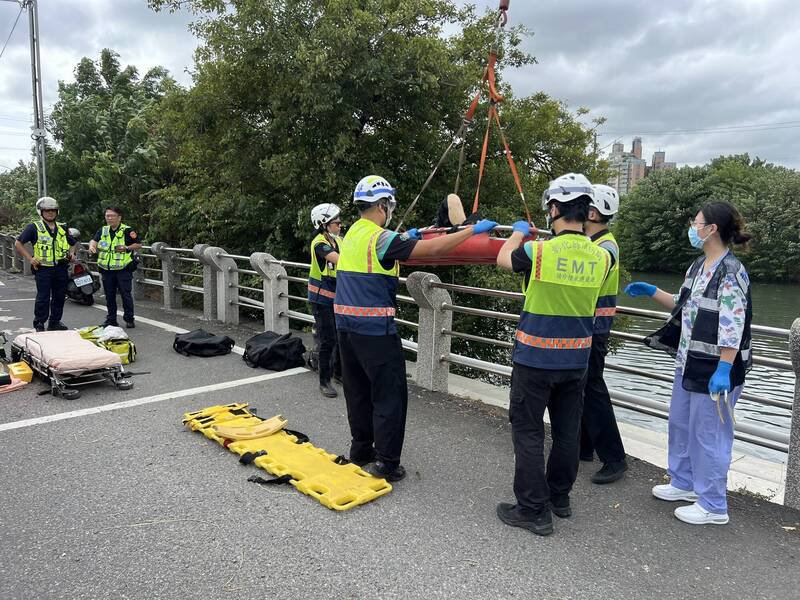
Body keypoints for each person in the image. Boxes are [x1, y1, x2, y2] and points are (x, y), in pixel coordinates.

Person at [335, 174, 497, 482]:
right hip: (375, 332)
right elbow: (434, 251)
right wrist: (473, 230)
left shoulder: (355, 233)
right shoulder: (380, 238)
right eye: (389, 205)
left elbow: (389, 252)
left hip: (346, 328)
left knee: (357, 393)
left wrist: (406, 237)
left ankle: (361, 451)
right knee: (389, 396)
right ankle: (386, 463)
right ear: (383, 205)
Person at [495, 173, 610, 536]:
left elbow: (502, 259)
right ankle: (559, 499)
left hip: (534, 359)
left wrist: (517, 232)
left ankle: (532, 509)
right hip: (576, 360)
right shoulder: (602, 256)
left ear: (556, 208)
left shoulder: (538, 251)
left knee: (528, 432)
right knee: (566, 432)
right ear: (586, 210)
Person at [624, 201, 752, 525]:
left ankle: (713, 504)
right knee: (681, 423)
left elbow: (733, 323)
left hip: (717, 368)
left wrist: (725, 367)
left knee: (710, 433)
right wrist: (652, 291)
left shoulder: (732, 271)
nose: (693, 229)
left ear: (712, 229)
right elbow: (682, 307)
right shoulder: (698, 266)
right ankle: (684, 483)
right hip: (689, 361)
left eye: (697, 223)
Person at [579, 183, 628, 484]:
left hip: (594, 330)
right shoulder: (594, 241)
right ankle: (584, 447)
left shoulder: (605, 246)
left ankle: (614, 458)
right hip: (588, 328)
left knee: (593, 390)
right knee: (583, 388)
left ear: (593, 212)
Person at [14, 197, 77, 331]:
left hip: (61, 267)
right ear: (41, 212)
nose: (50, 213)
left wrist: (72, 253)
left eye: (53, 210)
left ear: (57, 212)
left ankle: (55, 322)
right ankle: (39, 322)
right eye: (47, 211)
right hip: (43, 269)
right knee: (43, 297)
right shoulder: (34, 227)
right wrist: (30, 259)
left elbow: (73, 243)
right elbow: (18, 243)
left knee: (59, 296)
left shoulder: (62, 228)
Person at [307, 202, 344, 398]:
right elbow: (340, 259)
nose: (340, 225)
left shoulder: (337, 240)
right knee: (327, 339)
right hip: (321, 300)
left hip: (336, 299)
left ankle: (339, 373)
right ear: (325, 224)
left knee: (340, 336)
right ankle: (324, 381)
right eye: (336, 222)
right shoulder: (319, 243)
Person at [88, 206, 142, 328]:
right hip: (107, 270)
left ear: (119, 217)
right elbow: (94, 241)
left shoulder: (127, 230)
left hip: (123, 269)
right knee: (109, 296)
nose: (109, 218)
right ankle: (111, 319)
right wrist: (92, 247)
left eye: (112, 216)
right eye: (107, 216)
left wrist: (127, 248)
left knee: (125, 294)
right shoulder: (103, 230)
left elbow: (138, 244)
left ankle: (129, 319)